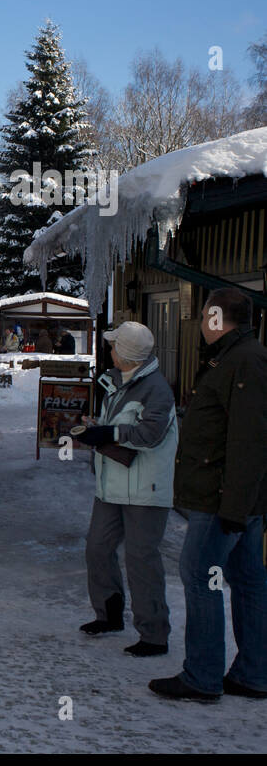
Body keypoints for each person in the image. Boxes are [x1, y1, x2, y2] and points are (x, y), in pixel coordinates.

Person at [150, 288, 267, 702]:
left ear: (217, 317)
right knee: (248, 581)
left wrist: (233, 507)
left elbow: (248, 442)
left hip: (222, 501)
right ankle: (253, 673)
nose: (200, 322)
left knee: (202, 578)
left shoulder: (244, 361)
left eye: (203, 315)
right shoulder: (234, 357)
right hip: (235, 499)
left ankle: (202, 676)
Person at [71, 321, 177, 657]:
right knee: (98, 549)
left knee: (141, 559)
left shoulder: (157, 389)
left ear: (128, 354)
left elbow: (150, 435)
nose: (110, 351)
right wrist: (98, 429)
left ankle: (154, 634)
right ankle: (109, 614)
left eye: (114, 346)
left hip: (146, 489)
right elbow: (120, 430)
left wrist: (109, 434)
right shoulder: (118, 382)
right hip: (112, 485)